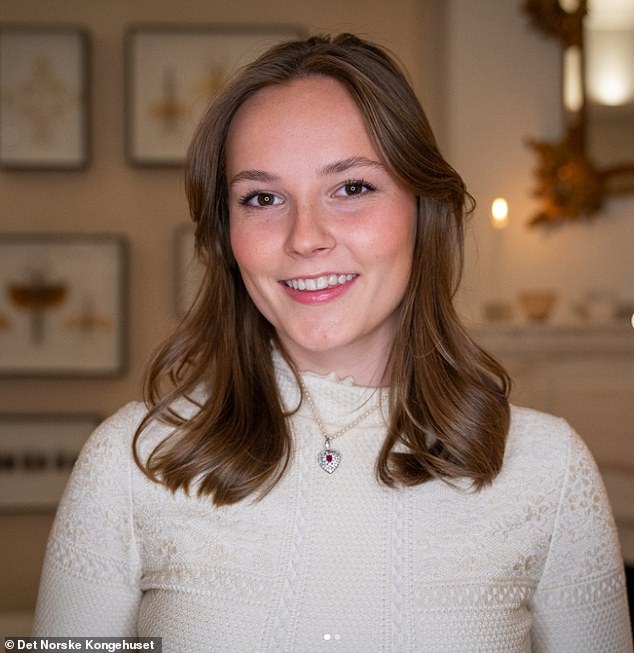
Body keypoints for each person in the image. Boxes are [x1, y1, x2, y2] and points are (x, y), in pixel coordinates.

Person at [33, 34, 632, 651]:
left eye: (351, 188)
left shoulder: (550, 472)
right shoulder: (131, 463)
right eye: (263, 198)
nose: (306, 237)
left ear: (423, 209)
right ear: (228, 235)